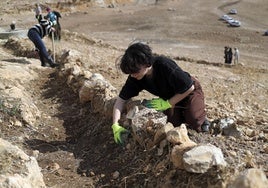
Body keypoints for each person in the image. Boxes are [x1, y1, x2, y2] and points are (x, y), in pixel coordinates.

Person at [112, 42, 210, 145]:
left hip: (188, 92)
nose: (132, 75)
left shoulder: (164, 65)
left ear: (147, 63)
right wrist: (115, 126)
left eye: (135, 71)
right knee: (173, 124)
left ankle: (203, 121)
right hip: (169, 97)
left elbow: (189, 87)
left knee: (194, 120)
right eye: (131, 72)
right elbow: (120, 101)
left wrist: (167, 104)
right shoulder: (136, 77)